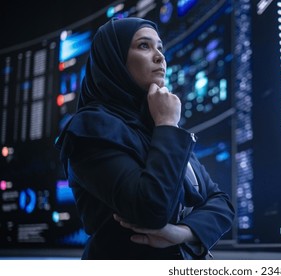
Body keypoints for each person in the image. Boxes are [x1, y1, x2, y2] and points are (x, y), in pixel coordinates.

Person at [55, 17, 235, 259]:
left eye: (160, 47)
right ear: (115, 60)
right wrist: (168, 125)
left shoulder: (156, 126)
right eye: (144, 46)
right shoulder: (90, 128)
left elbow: (222, 204)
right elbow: (151, 209)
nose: (160, 56)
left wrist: (181, 233)